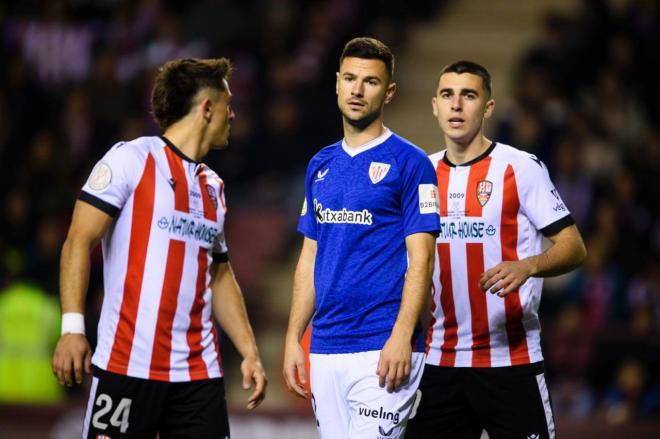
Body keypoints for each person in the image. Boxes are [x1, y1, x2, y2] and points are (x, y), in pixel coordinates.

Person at [51, 57, 267, 438]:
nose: (233, 114)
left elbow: (218, 272)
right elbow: (77, 241)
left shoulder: (213, 186)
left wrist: (249, 349)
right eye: (228, 104)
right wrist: (72, 328)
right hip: (127, 365)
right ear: (207, 107)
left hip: (198, 377)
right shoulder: (130, 159)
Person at [406, 61, 587, 439]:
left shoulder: (520, 168)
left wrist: (528, 266)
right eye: (447, 95)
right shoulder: (419, 172)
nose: (456, 105)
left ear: (487, 107)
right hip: (440, 361)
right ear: (435, 106)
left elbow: (574, 247)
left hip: (511, 359)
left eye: (468, 95)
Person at [283, 37, 441, 439]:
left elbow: (422, 259)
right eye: (350, 79)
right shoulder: (320, 164)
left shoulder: (412, 164)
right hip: (326, 347)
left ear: (388, 92)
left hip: (382, 347)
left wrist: (403, 336)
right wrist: (293, 338)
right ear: (336, 83)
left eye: (370, 82)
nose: (357, 90)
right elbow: (310, 257)